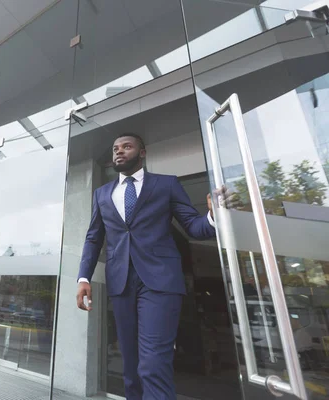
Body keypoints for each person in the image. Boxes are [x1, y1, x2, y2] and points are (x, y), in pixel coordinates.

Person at [76, 133, 232, 400]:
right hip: (121, 282)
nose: (119, 152)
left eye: (127, 147)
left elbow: (194, 227)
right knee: (131, 367)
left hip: (160, 281)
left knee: (153, 364)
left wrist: (213, 216)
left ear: (142, 152)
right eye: (115, 148)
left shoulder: (166, 185)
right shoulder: (102, 194)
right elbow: (94, 238)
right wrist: (83, 278)